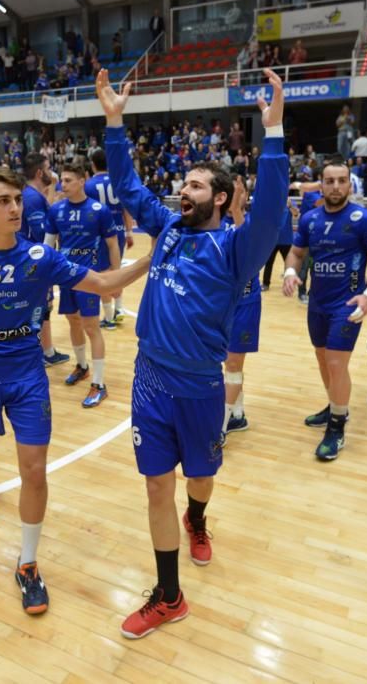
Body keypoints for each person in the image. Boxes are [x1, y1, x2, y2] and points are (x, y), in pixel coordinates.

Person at [98, 67, 288, 638]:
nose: (184, 190)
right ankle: (169, 595)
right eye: (183, 183)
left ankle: (198, 517)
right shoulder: (168, 228)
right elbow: (130, 188)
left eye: (197, 186)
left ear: (222, 198)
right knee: (157, 482)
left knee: (198, 478)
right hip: (150, 377)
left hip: (202, 386)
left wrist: (273, 135)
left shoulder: (236, 249)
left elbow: (273, 211)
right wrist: (114, 122)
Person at [0, 165, 152, 615]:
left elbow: (102, 284)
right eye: (3, 201)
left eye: (18, 200)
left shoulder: (40, 259)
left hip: (27, 374)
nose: (14, 208)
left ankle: (27, 564)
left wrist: (150, 259)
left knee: (35, 469)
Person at [282, 158, 367, 460]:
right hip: (317, 303)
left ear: (350, 183)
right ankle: (334, 404)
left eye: (341, 180)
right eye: (329, 181)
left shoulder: (365, 219)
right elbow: (295, 253)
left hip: (348, 304)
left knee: (335, 363)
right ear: (321, 184)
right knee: (322, 358)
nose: (335, 186)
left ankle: (337, 424)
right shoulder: (310, 219)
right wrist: (290, 273)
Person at [44, 160, 120, 407]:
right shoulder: (56, 210)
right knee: (72, 320)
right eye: (61, 180)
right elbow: (48, 246)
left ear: (81, 181)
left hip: (88, 277)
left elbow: (112, 244)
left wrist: (115, 277)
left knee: (91, 326)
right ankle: (82, 366)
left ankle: (99, 383)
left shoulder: (99, 210)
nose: (62, 184)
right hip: (64, 276)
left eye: (67, 180)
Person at [21, 152, 70, 367]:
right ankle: (45, 354)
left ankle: (45, 351)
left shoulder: (33, 195)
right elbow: (42, 233)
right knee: (42, 308)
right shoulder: (31, 198)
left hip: (30, 260)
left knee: (41, 308)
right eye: (49, 168)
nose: (52, 172)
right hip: (35, 263)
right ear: (40, 172)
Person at [223, 175, 263, 435]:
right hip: (219, 304)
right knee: (227, 364)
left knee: (234, 363)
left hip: (245, 303)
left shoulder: (252, 223)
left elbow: (248, 251)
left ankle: (221, 427)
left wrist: (237, 211)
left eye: (238, 193)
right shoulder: (212, 222)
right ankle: (237, 414)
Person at [86, 148, 135, 329]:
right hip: (120, 232)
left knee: (103, 275)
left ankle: (108, 318)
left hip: (100, 236)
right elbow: (126, 209)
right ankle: (119, 309)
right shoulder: (118, 182)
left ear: (92, 165)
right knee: (116, 271)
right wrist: (129, 232)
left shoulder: (89, 185)